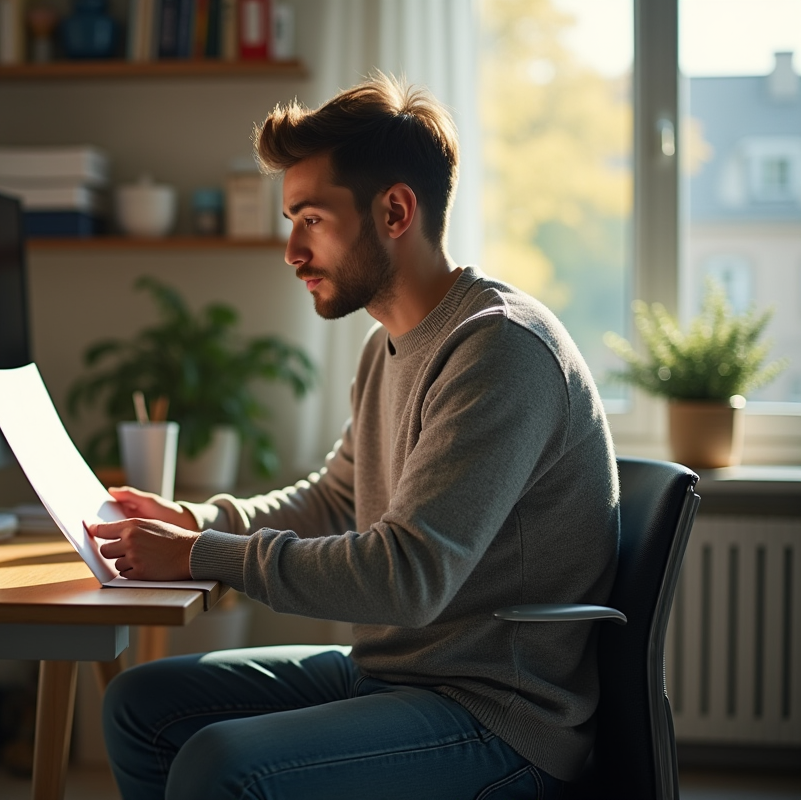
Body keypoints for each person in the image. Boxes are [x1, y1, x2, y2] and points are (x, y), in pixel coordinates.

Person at [86, 73, 618, 800]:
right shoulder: (385, 347)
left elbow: (409, 575)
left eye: (311, 219)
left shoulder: (500, 349)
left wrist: (202, 556)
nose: (291, 251)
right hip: (395, 673)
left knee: (221, 764)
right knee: (139, 706)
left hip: (495, 713)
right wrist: (198, 521)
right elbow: (336, 499)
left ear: (395, 210)